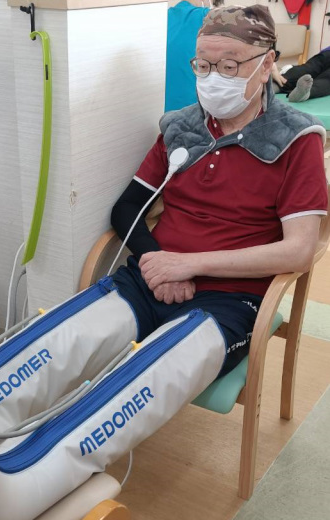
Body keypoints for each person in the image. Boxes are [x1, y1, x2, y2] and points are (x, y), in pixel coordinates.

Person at [111, 4, 328, 376]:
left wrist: (188, 265)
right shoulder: (181, 127)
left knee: (146, 380)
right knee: (55, 350)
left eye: (229, 66)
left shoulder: (296, 139)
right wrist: (157, 261)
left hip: (230, 299)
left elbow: (299, 250)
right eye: (203, 65)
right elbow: (127, 207)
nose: (213, 78)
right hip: (152, 280)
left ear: (266, 65)